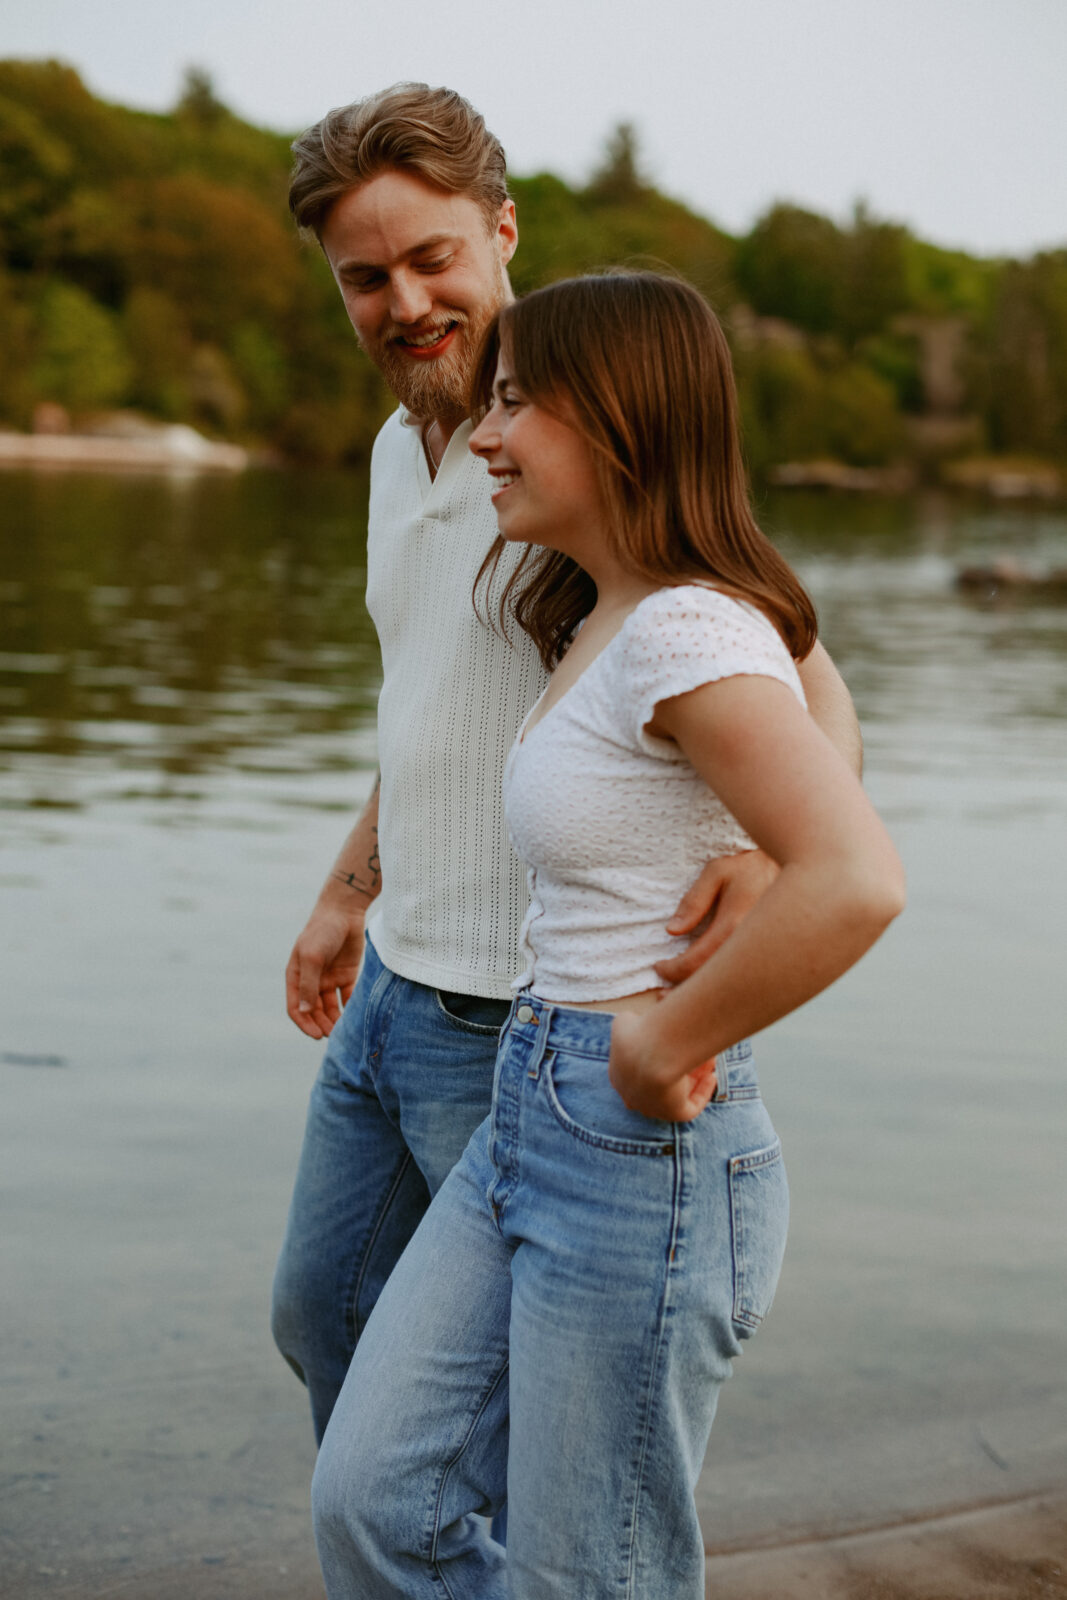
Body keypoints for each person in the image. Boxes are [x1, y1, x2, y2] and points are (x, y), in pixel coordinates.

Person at [271, 83, 864, 1446]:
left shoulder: (572, 451)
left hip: (519, 1026)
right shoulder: (393, 454)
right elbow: (431, 702)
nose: (405, 302)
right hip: (396, 993)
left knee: (488, 1429)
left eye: (431, 259)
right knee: (325, 1320)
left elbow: (805, 681)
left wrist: (769, 854)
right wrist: (348, 890)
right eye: (365, 278)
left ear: (501, 231)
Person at [309, 271, 906, 1599]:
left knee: (589, 1574)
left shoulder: (688, 629)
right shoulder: (590, 614)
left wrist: (669, 1039)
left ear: (622, 419)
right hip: (530, 1106)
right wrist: (351, 890)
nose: (485, 434)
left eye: (517, 404)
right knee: (375, 1499)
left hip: (644, 1152)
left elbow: (855, 876)